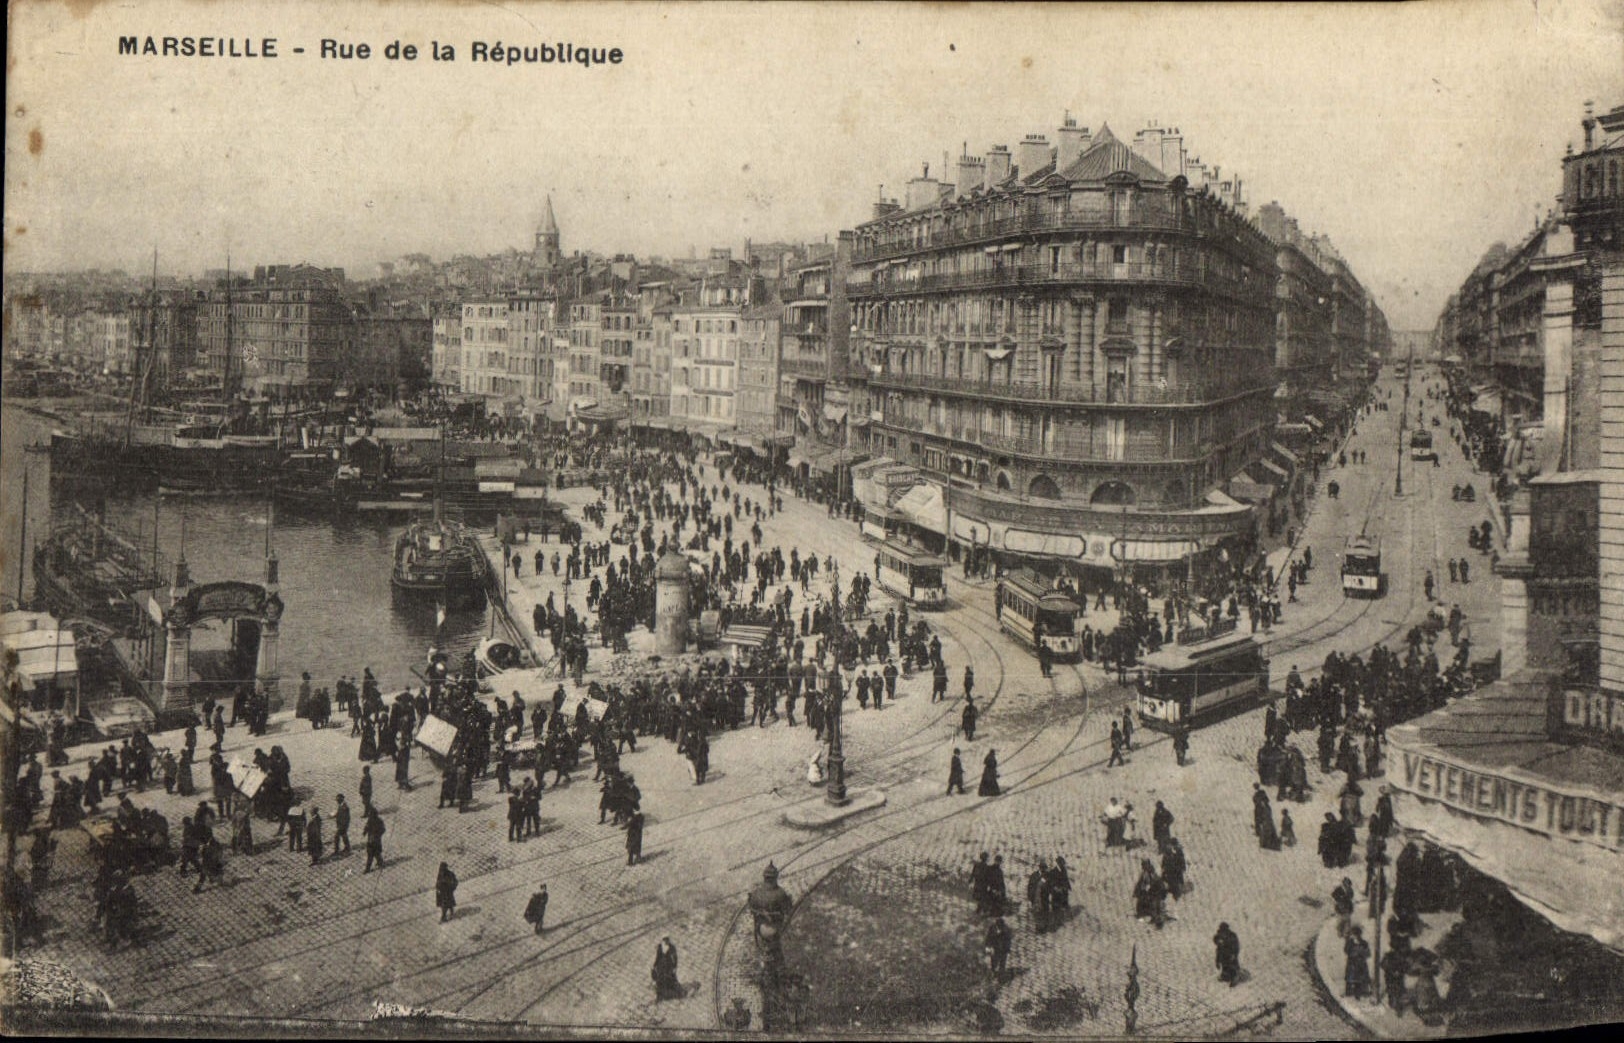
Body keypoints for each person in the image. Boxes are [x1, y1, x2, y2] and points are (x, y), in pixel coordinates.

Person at [1133, 859, 1168, 928]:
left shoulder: (1150, 874)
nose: (1143, 867)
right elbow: (1143, 883)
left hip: (1157, 891)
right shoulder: (1148, 873)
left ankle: (1153, 914)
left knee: (1153, 902)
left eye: (1144, 866)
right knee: (1153, 902)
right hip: (1156, 891)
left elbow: (1146, 883)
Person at [1343, 925, 1372, 998]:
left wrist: (1361, 952)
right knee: (1351, 978)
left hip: (1361, 964)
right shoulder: (1350, 942)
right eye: (1354, 934)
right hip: (1352, 964)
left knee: (1361, 979)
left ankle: (1361, 992)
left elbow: (1368, 953)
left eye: (1357, 934)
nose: (1356, 936)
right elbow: (1346, 951)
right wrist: (1356, 952)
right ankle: (1349, 992)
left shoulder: (1364, 943)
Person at [363, 807, 386, 872]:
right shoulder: (370, 820)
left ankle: (379, 863)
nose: (370, 816)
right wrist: (365, 831)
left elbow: (383, 829)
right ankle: (369, 867)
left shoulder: (379, 821)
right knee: (371, 854)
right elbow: (367, 826)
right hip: (370, 839)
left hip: (376, 840)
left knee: (376, 853)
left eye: (371, 814)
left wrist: (377, 835)